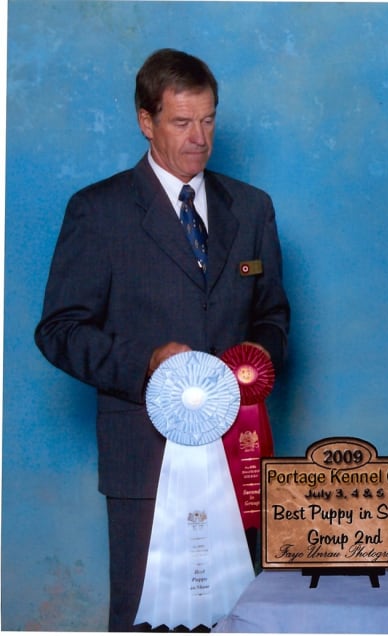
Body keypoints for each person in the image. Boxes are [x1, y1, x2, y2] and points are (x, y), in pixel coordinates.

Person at [34, 49, 290, 631]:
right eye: (181, 122)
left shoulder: (252, 208)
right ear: (145, 121)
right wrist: (147, 362)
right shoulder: (97, 211)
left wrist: (252, 366)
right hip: (142, 461)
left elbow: (273, 313)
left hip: (239, 455)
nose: (198, 138)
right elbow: (58, 331)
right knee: (144, 616)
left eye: (208, 120)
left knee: (242, 614)